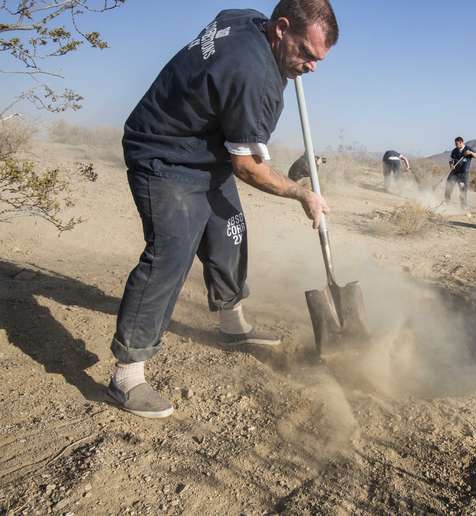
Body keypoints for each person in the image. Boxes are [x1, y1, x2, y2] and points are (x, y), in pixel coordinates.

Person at [111, 1, 339, 419]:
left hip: (204, 151)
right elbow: (248, 167)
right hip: (164, 153)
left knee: (229, 233)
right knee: (170, 253)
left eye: (318, 59)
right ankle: (127, 374)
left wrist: (286, 63)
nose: (311, 67)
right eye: (306, 54)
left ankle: (233, 327)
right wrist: (302, 194)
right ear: (281, 28)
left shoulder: (248, 19)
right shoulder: (253, 76)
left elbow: (223, 18)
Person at [445, 137, 476, 208]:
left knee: (463, 190)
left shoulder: (468, 148)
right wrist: (451, 165)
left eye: (457, 144)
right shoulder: (454, 151)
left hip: (463, 174)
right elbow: (451, 160)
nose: (455, 145)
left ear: (461, 142)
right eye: (455, 144)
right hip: (454, 172)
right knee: (449, 186)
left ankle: (463, 206)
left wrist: (470, 153)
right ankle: (446, 202)